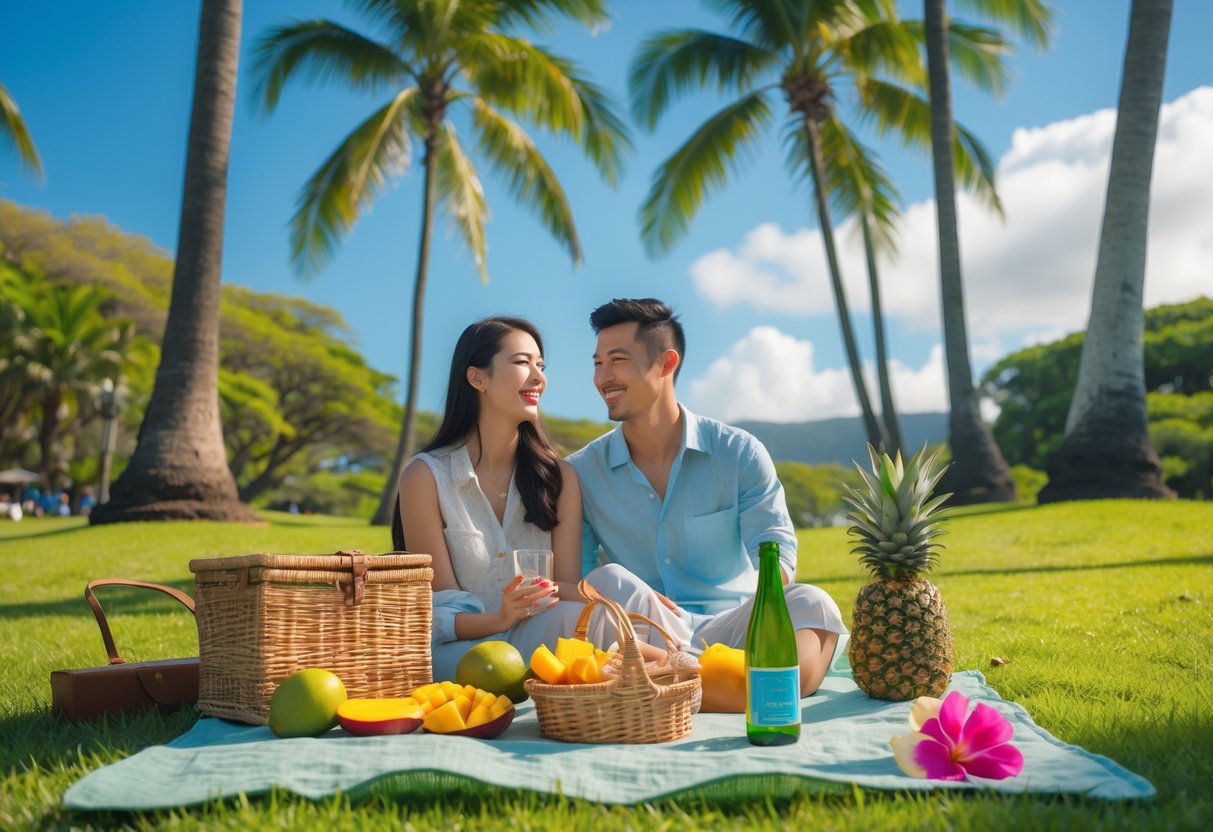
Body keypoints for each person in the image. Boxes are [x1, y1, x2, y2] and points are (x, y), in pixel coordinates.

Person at [567, 298, 847, 711]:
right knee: (609, 581)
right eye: (597, 363)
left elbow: (777, 556)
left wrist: (762, 618)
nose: (603, 377)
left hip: (733, 626)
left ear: (666, 364)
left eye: (617, 360)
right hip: (644, 630)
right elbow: (580, 577)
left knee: (813, 603)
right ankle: (743, 686)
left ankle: (682, 680)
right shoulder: (581, 472)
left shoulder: (738, 453)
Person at [394, 316, 640, 682]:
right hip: (462, 653)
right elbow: (438, 612)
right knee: (582, 627)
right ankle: (679, 665)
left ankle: (673, 661)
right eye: (523, 362)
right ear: (477, 378)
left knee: (617, 583)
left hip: (540, 634)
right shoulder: (425, 476)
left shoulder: (559, 479)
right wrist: (501, 618)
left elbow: (563, 588)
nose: (539, 377)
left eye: (541, 365)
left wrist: (619, 597)